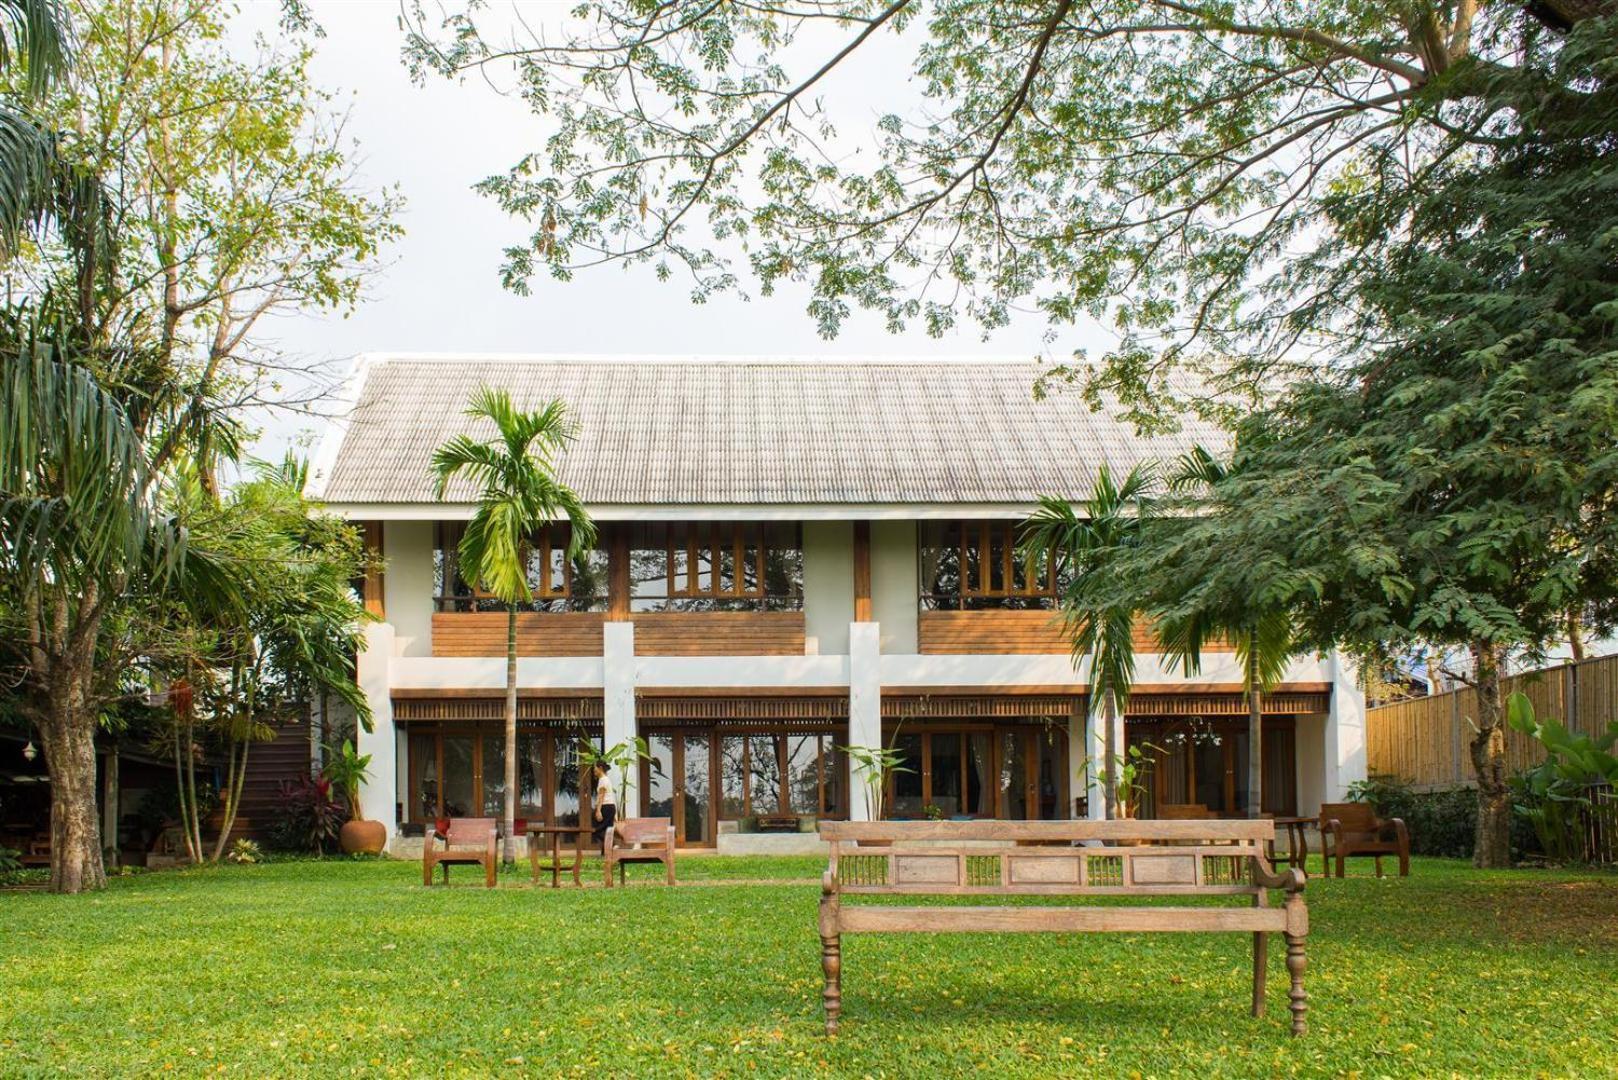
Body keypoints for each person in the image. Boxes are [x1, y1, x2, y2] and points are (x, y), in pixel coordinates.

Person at [589, 759, 617, 859]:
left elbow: (601, 796)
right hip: (610, 807)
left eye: (594, 768)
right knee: (607, 830)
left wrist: (598, 810)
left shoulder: (603, 780)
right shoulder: (606, 779)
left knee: (596, 830)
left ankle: (612, 845)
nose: (594, 770)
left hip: (605, 807)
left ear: (600, 768)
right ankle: (605, 854)